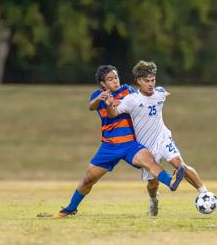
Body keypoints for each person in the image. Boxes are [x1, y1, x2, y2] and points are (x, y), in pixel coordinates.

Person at [57, 65, 184, 217]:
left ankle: (171, 181)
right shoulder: (98, 95)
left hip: (130, 142)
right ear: (103, 83)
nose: (115, 81)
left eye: (116, 77)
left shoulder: (128, 91)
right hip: (109, 146)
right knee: (88, 179)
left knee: (149, 162)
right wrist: (100, 98)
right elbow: (91, 107)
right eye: (110, 79)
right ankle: (71, 208)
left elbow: (140, 99)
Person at [105, 60, 217, 216]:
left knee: (180, 165)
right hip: (146, 149)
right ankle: (153, 199)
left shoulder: (160, 93)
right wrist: (109, 105)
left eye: (152, 80)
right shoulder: (131, 100)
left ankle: (206, 194)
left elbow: (164, 93)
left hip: (163, 139)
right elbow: (113, 114)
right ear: (138, 81)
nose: (150, 84)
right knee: (153, 184)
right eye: (146, 81)